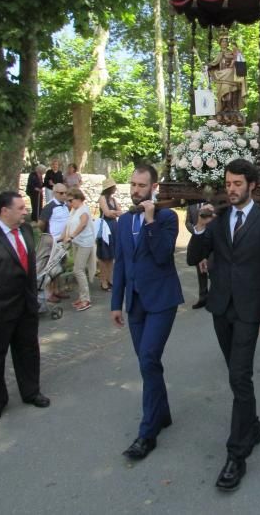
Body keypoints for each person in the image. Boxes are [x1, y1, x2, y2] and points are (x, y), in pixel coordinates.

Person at [187, 159, 260, 491]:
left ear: (252, 186)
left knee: (238, 376)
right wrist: (201, 226)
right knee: (237, 374)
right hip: (221, 307)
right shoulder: (218, 220)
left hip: (249, 310)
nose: (231, 189)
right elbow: (193, 257)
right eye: (227, 184)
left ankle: (236, 455)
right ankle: (253, 426)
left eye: (237, 184)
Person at [111, 165, 184, 462]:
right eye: (132, 184)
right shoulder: (123, 222)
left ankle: (147, 433)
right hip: (135, 304)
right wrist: (116, 303)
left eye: (141, 185)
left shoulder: (166, 218)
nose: (135, 190)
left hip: (162, 300)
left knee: (149, 358)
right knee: (147, 363)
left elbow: (163, 254)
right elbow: (120, 264)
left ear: (153, 187)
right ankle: (163, 413)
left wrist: (151, 220)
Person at [0, 191, 50, 422]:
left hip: (25, 307)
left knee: (28, 351)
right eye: (21, 208)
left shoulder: (25, 231)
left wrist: (34, 298)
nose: (26, 211)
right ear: (5, 211)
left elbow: (29, 269)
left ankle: (31, 392)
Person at [63, 187, 95, 311]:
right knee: (78, 269)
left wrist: (71, 236)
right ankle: (82, 297)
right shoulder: (74, 210)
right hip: (76, 243)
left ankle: (86, 299)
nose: (69, 203)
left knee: (78, 270)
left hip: (84, 243)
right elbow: (68, 225)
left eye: (70, 200)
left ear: (78, 199)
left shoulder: (83, 210)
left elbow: (82, 224)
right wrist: (63, 237)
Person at [38, 183, 70, 302]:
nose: (64, 195)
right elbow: (41, 223)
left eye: (65, 193)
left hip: (64, 241)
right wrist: (49, 235)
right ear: (54, 193)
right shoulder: (49, 207)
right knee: (51, 268)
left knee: (60, 267)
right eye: (61, 193)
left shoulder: (66, 206)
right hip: (53, 242)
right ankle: (49, 292)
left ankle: (57, 290)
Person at [208, 36, 247, 113]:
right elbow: (213, 64)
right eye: (223, 41)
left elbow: (238, 59)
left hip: (231, 74)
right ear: (220, 43)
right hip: (221, 75)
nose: (224, 43)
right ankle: (224, 107)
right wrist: (207, 67)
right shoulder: (219, 54)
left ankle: (233, 107)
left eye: (226, 41)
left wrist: (238, 53)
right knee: (223, 93)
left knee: (233, 90)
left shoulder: (232, 52)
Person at [96, 177, 122, 291]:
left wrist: (114, 213)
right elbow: (107, 213)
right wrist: (114, 213)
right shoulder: (102, 198)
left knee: (111, 256)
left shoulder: (114, 200)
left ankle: (109, 279)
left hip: (114, 228)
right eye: (114, 187)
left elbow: (120, 212)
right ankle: (103, 281)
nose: (115, 188)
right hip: (105, 228)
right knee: (103, 256)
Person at [185, 202, 211, 309]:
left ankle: (217, 296)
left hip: (211, 240)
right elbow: (187, 222)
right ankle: (203, 297)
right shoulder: (191, 205)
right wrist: (197, 230)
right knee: (200, 270)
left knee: (213, 268)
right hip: (197, 240)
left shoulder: (212, 202)